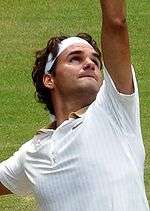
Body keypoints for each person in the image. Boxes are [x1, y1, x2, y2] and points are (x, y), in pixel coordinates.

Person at [0, 0, 149, 210]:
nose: (90, 63)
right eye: (75, 59)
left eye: (96, 62)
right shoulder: (32, 154)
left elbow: (116, 23)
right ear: (49, 79)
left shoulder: (114, 110)